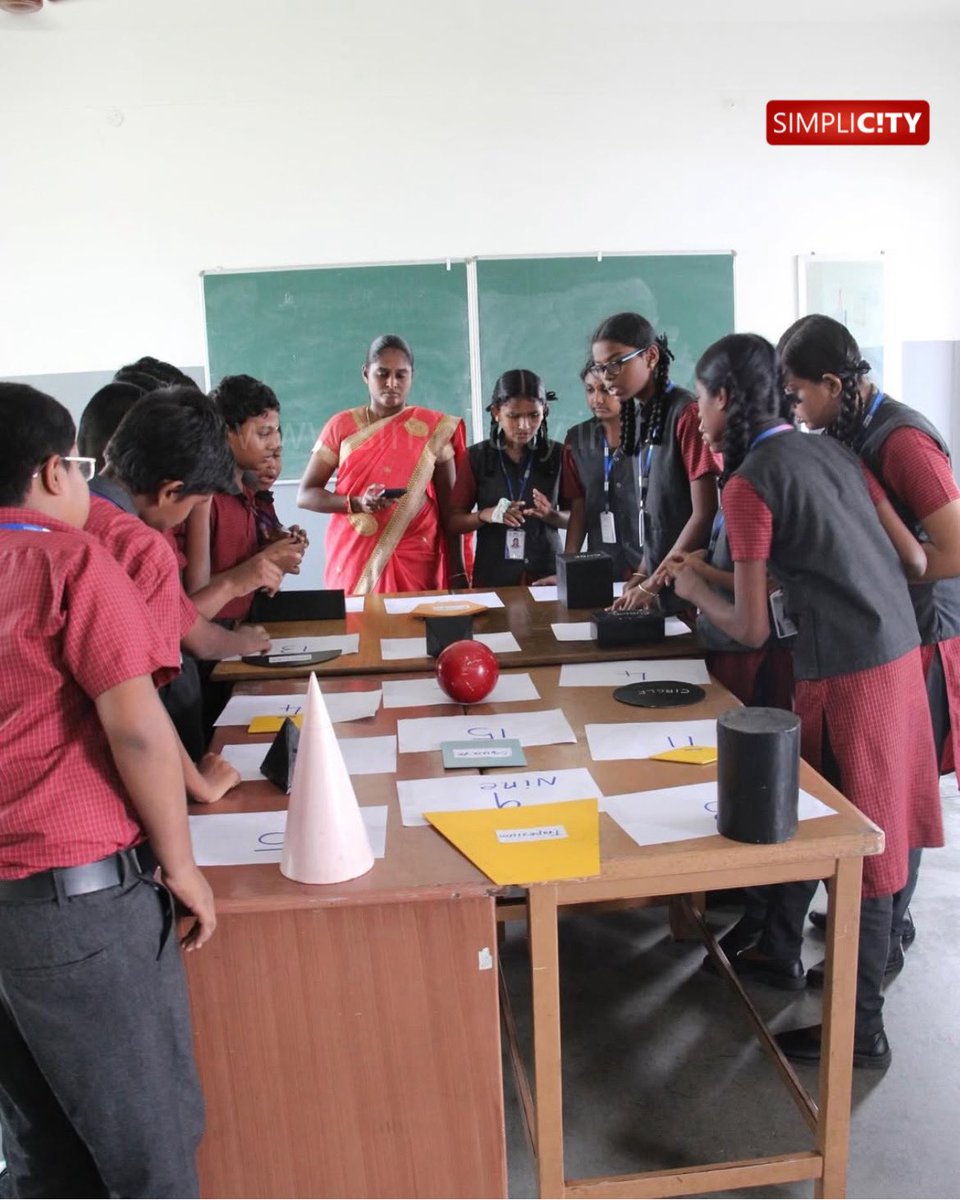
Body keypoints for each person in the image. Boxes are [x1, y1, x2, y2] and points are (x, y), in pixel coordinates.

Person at [661, 333, 943, 1070]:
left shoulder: (747, 484)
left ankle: (861, 1030)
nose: (697, 413)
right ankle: (815, 979)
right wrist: (715, 573)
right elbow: (910, 558)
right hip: (897, 661)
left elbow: (753, 628)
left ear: (725, 399)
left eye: (701, 398)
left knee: (862, 857)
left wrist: (692, 588)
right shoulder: (834, 452)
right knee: (870, 840)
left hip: (850, 682)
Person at [0, 383, 214, 1197]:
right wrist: (183, 868)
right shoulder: (68, 560)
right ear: (53, 471)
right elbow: (137, 730)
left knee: (41, 1156)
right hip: (75, 910)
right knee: (150, 1156)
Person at [778, 313, 960, 982]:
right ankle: (878, 918)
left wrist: (870, 572)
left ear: (833, 383)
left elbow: (954, 548)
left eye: (798, 394)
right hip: (881, 629)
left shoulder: (902, 440)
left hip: (922, 634)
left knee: (898, 794)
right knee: (872, 789)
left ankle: (885, 941)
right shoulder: (847, 429)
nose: (793, 409)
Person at [87, 386, 265, 802]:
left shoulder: (68, 517)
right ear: (170, 491)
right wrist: (200, 784)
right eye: (195, 504)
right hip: (133, 773)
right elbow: (140, 702)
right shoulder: (139, 545)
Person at [297, 333, 468, 593]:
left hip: (416, 553)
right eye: (382, 374)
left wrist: (457, 572)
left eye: (401, 375)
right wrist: (357, 503)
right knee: (356, 619)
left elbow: (451, 510)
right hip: (355, 554)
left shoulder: (433, 429)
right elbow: (306, 494)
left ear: (412, 376)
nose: (391, 383)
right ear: (366, 374)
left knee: (416, 619)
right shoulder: (341, 426)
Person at [587, 313, 718, 613]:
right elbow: (657, 520)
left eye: (616, 363)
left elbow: (704, 512)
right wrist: (642, 574)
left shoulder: (687, 414)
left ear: (651, 357)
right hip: (662, 586)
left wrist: (652, 583)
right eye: (600, 367)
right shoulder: (641, 418)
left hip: (692, 590)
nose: (607, 376)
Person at [184, 374, 306, 622]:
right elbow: (190, 601)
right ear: (227, 433)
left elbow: (246, 571)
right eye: (263, 433)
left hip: (245, 624)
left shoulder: (249, 495)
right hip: (213, 634)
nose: (273, 444)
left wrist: (275, 552)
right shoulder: (204, 499)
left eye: (275, 433)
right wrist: (263, 561)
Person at [447, 368, 567, 587]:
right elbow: (453, 522)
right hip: (494, 577)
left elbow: (577, 519)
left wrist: (552, 515)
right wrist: (485, 515)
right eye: (514, 416)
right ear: (496, 412)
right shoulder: (476, 457)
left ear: (544, 412)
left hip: (548, 576)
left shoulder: (558, 455)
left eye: (534, 415)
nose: (524, 425)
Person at [561, 362, 641, 579]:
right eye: (590, 390)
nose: (596, 399)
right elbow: (579, 507)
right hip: (602, 565)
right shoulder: (576, 440)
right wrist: (567, 568)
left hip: (651, 567)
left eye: (606, 390)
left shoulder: (652, 434)